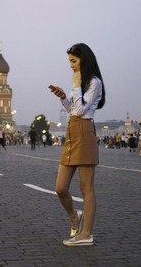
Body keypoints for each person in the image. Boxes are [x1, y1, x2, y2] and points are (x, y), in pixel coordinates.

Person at [49, 43, 105, 247]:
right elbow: (73, 109)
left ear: (84, 60)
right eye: (69, 62)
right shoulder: (79, 81)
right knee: (60, 188)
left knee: (86, 188)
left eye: (74, 61)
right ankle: (75, 216)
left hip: (84, 132)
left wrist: (75, 85)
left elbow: (81, 111)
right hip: (71, 133)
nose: (71, 66)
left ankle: (86, 233)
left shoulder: (94, 82)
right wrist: (64, 97)